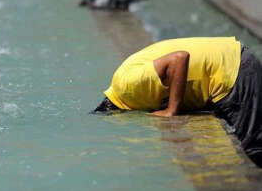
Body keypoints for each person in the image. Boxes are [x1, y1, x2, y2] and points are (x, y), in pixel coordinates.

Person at [94, 37, 262, 167]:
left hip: (232, 71)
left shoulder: (127, 87)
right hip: (229, 61)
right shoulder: (124, 85)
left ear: (117, 113)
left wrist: (171, 110)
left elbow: (179, 58)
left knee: (253, 150)